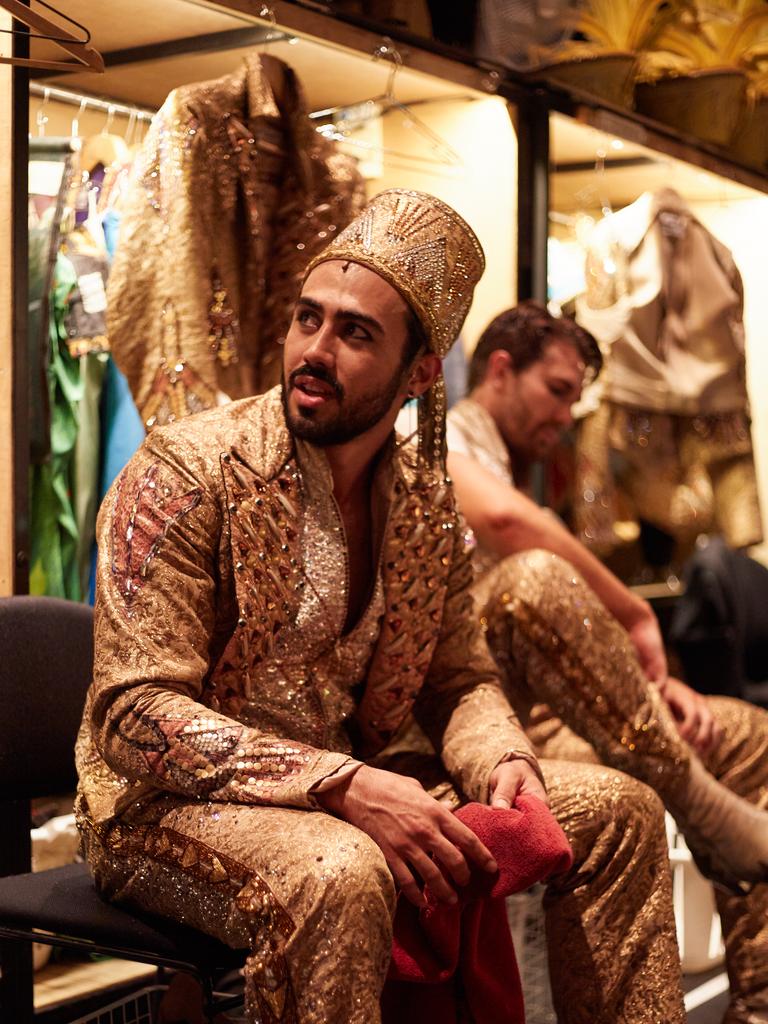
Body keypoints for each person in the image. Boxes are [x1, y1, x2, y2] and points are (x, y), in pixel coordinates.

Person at [75, 190, 574, 1024]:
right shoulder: (186, 470)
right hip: (157, 808)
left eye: (355, 333)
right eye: (308, 318)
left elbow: (459, 678)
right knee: (341, 872)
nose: (315, 348)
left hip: (348, 787)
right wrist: (339, 785)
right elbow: (131, 714)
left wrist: (504, 761)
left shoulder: (425, 503)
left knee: (613, 815)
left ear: (421, 373)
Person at [446, 300, 768, 1024]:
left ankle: (760, 1005)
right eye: (557, 390)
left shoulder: (513, 459)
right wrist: (632, 612)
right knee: (535, 574)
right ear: (500, 369)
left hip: (538, 715)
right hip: (463, 719)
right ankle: (699, 804)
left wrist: (653, 689)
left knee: (746, 734)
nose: (567, 416)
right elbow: (507, 529)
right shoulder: (434, 433)